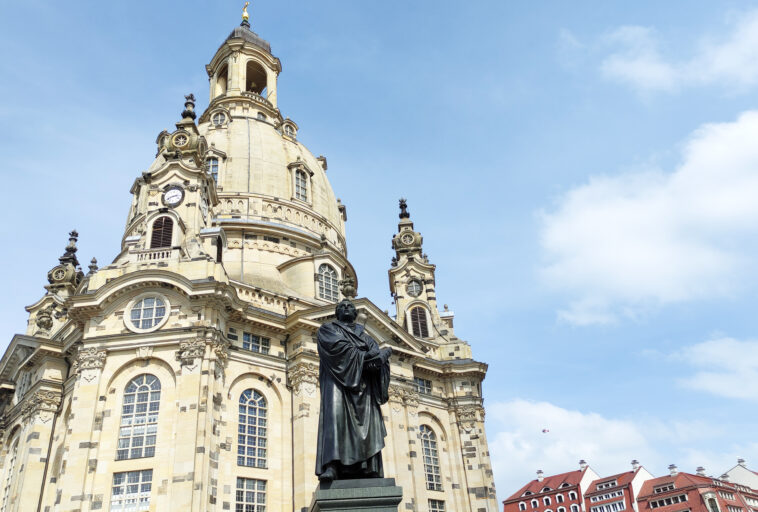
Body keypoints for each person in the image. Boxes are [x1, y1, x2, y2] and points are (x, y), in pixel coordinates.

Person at [315, 299, 392, 481]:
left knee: (368, 423)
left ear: (356, 314)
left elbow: (375, 364)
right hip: (337, 383)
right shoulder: (328, 330)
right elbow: (339, 351)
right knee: (335, 419)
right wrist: (374, 355)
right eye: (343, 306)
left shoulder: (367, 337)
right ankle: (332, 466)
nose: (347, 308)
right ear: (337, 312)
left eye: (350, 306)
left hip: (363, 389)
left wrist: (382, 359)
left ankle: (368, 468)